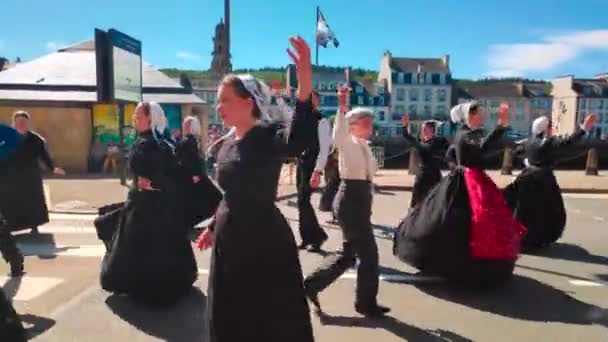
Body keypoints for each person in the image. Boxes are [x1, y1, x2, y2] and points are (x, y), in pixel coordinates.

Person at [195, 36, 315, 342]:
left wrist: (303, 83)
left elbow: (299, 139)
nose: (218, 106)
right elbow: (231, 194)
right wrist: (212, 226)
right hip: (229, 243)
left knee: (263, 322)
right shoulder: (228, 142)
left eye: (225, 100)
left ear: (248, 102)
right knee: (230, 321)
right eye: (218, 100)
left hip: (262, 246)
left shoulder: (266, 136)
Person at [393, 102, 526, 287]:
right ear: (469, 116)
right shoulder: (466, 134)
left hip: (461, 178)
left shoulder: (462, 134)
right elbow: (481, 149)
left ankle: (465, 261)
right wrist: (500, 128)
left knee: (461, 222)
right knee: (464, 222)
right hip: (467, 181)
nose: (482, 115)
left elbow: (451, 154)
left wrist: (456, 167)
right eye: (479, 112)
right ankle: (464, 263)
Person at [96, 102, 197, 307]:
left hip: (150, 206)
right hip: (143, 202)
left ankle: (148, 286)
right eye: (135, 116)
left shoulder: (156, 144)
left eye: (139, 116)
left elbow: (175, 174)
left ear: (151, 119)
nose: (135, 119)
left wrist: (155, 184)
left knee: (148, 249)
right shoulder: (150, 140)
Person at [304, 86, 389, 318]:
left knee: (348, 256)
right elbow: (338, 134)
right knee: (369, 256)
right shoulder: (346, 141)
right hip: (350, 200)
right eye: (367, 122)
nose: (371, 126)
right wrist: (342, 108)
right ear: (355, 124)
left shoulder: (364, 146)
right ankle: (365, 303)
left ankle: (311, 285)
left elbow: (369, 174)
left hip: (359, 199)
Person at [503, 113, 597, 249]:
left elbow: (517, 151)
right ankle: (536, 239)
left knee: (524, 211)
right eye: (550, 126)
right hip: (543, 181)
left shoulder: (528, 141)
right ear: (545, 129)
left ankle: (522, 238)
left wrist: (528, 161)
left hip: (526, 178)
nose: (552, 129)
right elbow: (568, 142)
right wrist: (584, 129)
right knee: (547, 212)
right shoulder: (547, 142)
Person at [0, 111, 65, 235]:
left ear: (28, 123)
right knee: (9, 202)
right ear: (13, 123)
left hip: (30, 175)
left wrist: (52, 168)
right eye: (18, 122)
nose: (21, 124)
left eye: (23, 122)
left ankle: (33, 225)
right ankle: (9, 226)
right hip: (9, 176)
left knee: (32, 201)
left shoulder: (36, 139)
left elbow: (44, 155)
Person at [296, 89, 331, 252]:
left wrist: (317, 171)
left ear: (317, 101)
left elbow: (324, 148)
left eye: (312, 98)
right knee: (301, 201)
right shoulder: (303, 119)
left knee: (303, 200)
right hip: (302, 162)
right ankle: (307, 238)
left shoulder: (322, 120)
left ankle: (317, 236)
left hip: (311, 164)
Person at [175, 115, 222, 230]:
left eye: (186, 124)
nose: (183, 125)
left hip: (187, 176)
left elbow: (186, 158)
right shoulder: (193, 140)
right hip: (193, 175)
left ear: (190, 127)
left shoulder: (187, 141)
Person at [401, 115, 449, 208]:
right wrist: (404, 125)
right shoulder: (420, 143)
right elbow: (407, 136)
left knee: (435, 202)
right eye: (423, 129)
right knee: (417, 202)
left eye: (426, 129)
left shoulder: (438, 141)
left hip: (434, 176)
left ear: (432, 130)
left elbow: (449, 151)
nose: (424, 131)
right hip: (422, 176)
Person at [319, 147, 340, 224]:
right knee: (332, 193)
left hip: (335, 172)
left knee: (333, 193)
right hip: (333, 170)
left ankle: (337, 217)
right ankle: (336, 216)